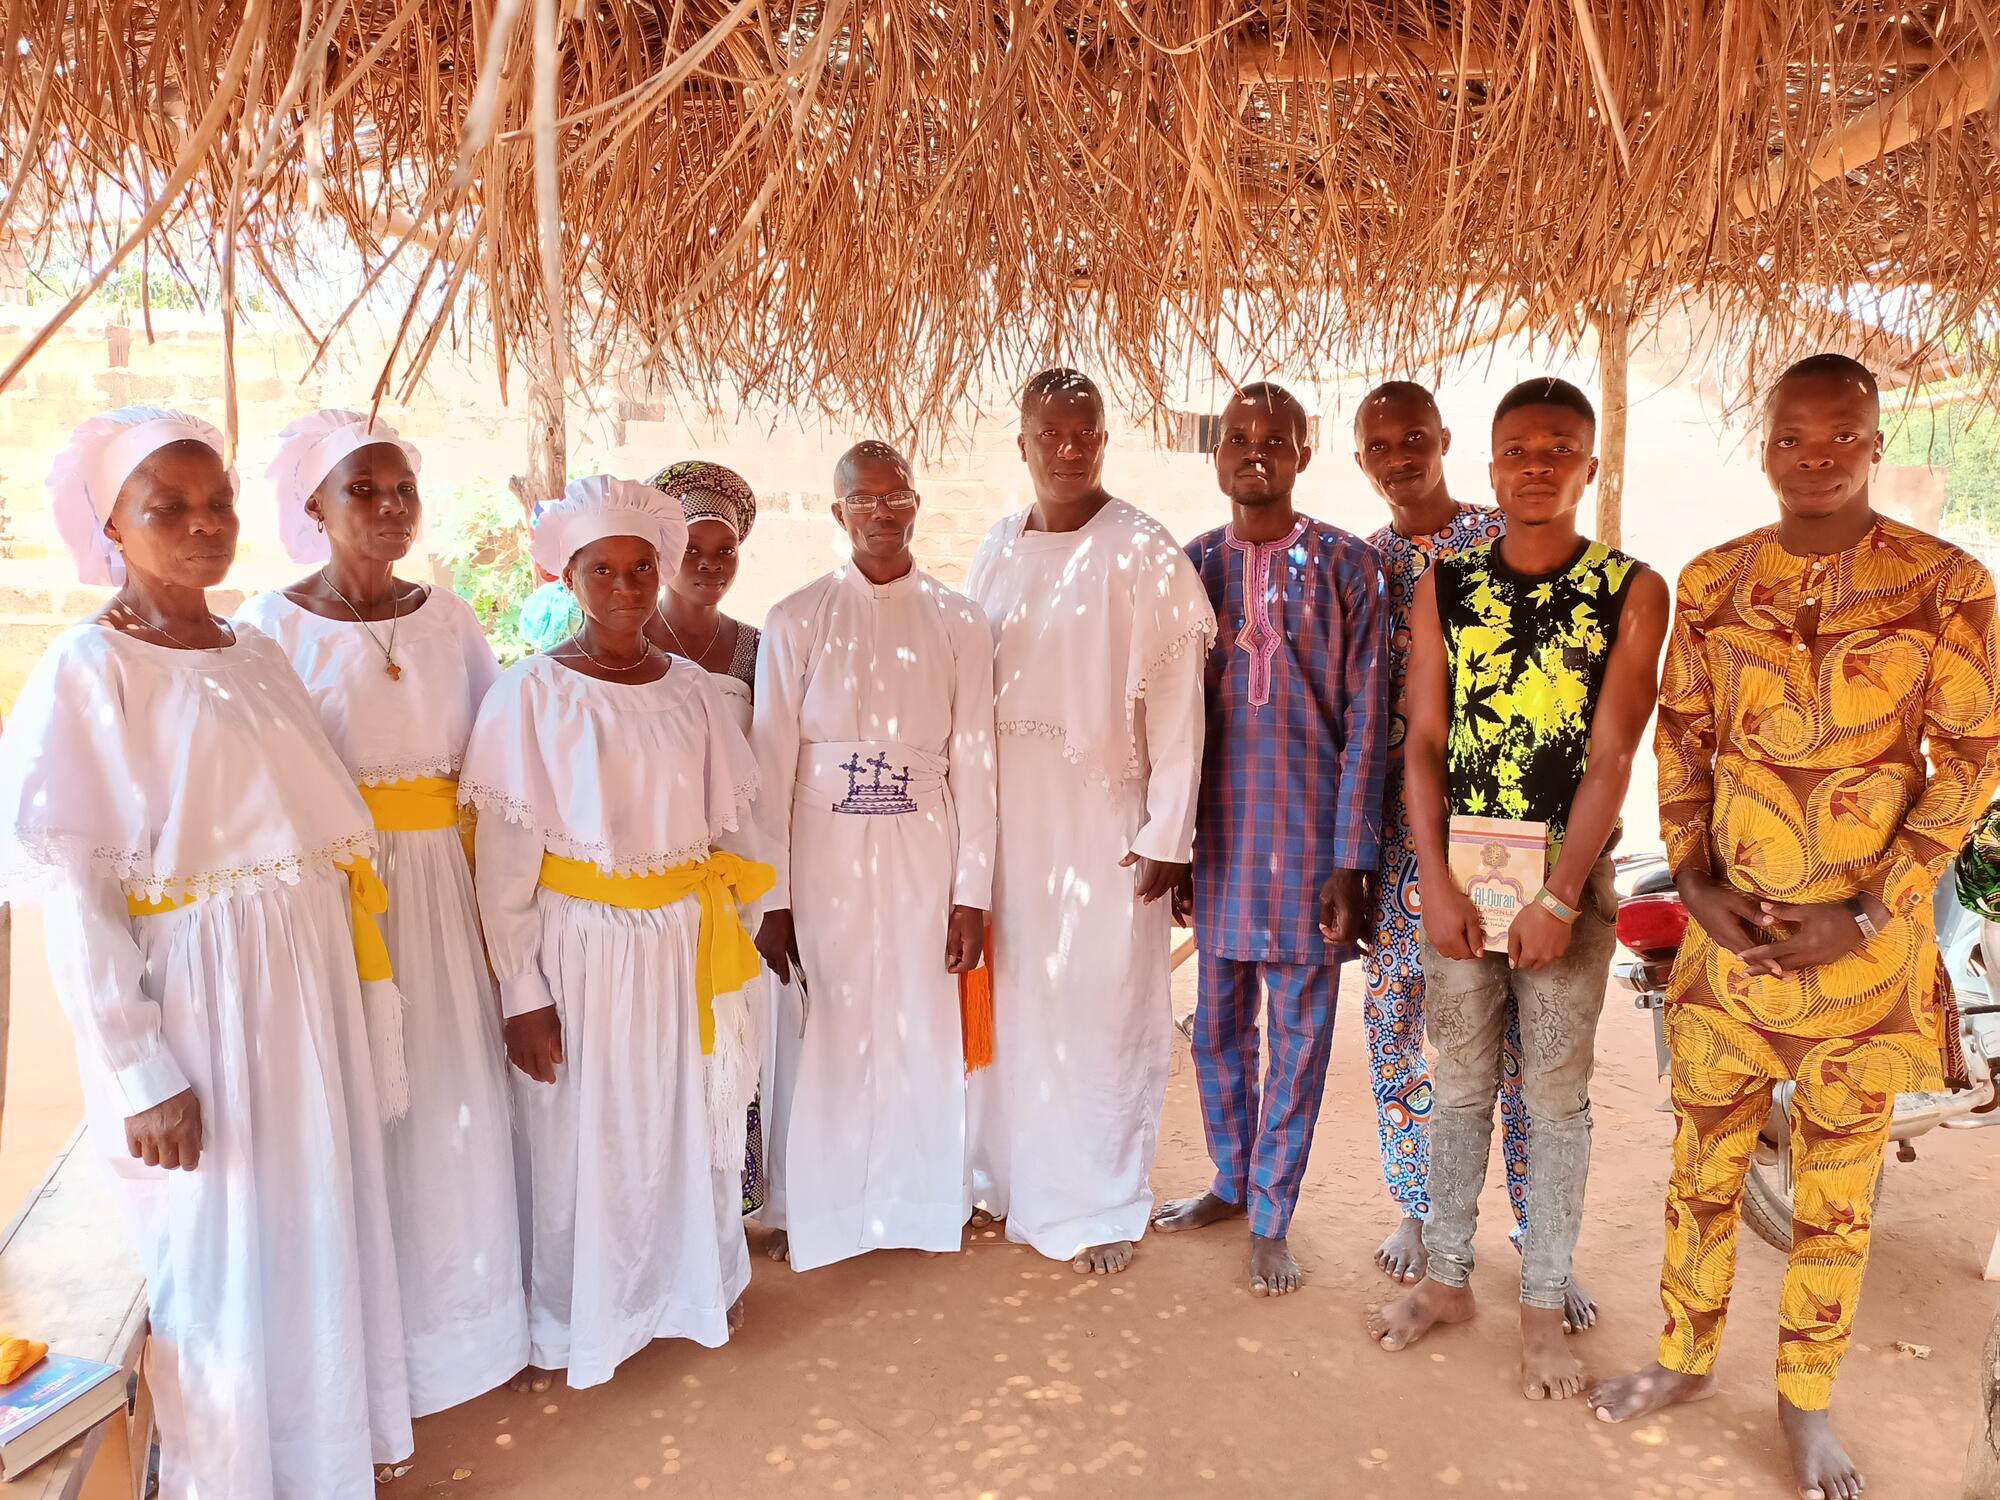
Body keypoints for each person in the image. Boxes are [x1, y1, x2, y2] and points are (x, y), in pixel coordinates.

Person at [1589, 354, 2000, 1500]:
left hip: (1859, 962)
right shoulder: (1715, 582)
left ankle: (1801, 1405)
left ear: (1872, 442)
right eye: (1790, 437)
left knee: (1835, 1191)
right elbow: (1681, 740)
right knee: (1699, 1165)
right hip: (1729, 951)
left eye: (1839, 436)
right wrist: (1692, 879)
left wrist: (1870, 909)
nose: (1812, 457)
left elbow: (1969, 764)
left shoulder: (1944, 586)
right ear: (1762, 445)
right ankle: (1680, 1357)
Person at [0, 407, 412, 1496]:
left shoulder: (253, 648)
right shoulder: (89, 669)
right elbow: (78, 895)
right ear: (110, 526)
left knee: (313, 1225)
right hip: (203, 999)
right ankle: (232, 1475)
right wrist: (141, 1070)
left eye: (218, 502)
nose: (203, 525)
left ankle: (317, 1458)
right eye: (166, 508)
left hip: (303, 980)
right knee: (221, 1246)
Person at [1367, 377, 1668, 1402]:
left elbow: (1614, 752)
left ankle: (1541, 1303)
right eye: (1516, 450)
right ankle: (1447, 1280)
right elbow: (1420, 741)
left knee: (1553, 1099)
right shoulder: (1443, 587)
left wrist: (1559, 897)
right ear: (1490, 466)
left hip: (1564, 887)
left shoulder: (1627, 588)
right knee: (1455, 1088)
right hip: (1461, 881)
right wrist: (1440, 886)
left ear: (1588, 465)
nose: (1535, 466)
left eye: (1558, 449)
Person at [240, 409, 529, 1415]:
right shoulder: (266, 632)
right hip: (339, 904)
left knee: (458, 1092)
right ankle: (383, 1344)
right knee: (369, 1107)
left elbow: (496, 761)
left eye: (400, 488)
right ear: (313, 505)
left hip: (446, 889)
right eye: (362, 490)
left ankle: (473, 1327)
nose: (387, 508)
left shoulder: (449, 619)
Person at [461, 476, 770, 1390]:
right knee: (584, 1133)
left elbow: (734, 830)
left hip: (683, 941)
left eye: (643, 567)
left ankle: (686, 1288)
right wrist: (523, 992)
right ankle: (584, 1312)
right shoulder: (531, 695)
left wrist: (745, 940)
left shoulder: (696, 695)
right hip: (581, 947)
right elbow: (506, 863)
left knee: (680, 1118)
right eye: (605, 570)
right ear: (571, 577)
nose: (628, 587)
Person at [966, 368, 1215, 1275]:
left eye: (1087, 433)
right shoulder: (996, 545)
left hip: (1107, 826)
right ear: (1021, 442)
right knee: (1021, 1001)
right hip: (1008, 824)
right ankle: (1014, 1178)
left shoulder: (1144, 551)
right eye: (1050, 433)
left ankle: (1102, 1199)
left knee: (1104, 1006)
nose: (1069, 449)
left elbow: (1181, 714)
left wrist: (1166, 833)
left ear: (1105, 440)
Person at [1355, 381, 1593, 1329]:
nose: (1400, 455)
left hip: (1517, 839)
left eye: (1415, 437)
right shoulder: (1360, 564)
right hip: (1399, 842)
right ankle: (1420, 1210)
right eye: (1380, 444)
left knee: (1532, 1055)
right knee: (1400, 1027)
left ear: (1449, 441)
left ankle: (1543, 1243)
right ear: (1362, 459)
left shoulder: (1509, 537)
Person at [1153, 383, 1386, 1296]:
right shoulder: (1192, 567)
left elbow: (1368, 718)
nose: (1255, 452)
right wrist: (1175, 841)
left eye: (1274, 439)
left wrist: (1350, 861)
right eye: (1238, 438)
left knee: (1298, 1035)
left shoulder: (1345, 564)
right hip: (1218, 843)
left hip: (1308, 849)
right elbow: (1170, 724)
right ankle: (1229, 1179)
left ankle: (1274, 1214)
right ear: (1217, 456)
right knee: (1214, 1028)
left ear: (1303, 451)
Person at [751, 440, 996, 1271]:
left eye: (898, 497)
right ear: (838, 513)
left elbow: (976, 763)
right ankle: (824, 1209)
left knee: (921, 1021)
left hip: (927, 849)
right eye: (865, 500)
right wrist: (773, 896)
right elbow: (771, 764)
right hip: (824, 854)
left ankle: (923, 1204)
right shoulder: (797, 618)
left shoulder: (959, 620)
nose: (883, 513)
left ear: (917, 504)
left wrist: (974, 892)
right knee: (838, 1021)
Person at [643, 460, 796, 1247]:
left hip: (733, 881)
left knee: (733, 1043)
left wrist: (774, 899)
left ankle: (728, 1218)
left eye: (724, 551)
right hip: (644, 884)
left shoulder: (759, 650)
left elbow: (770, 774)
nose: (708, 566)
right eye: (692, 549)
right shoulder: (622, 639)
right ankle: (664, 1217)